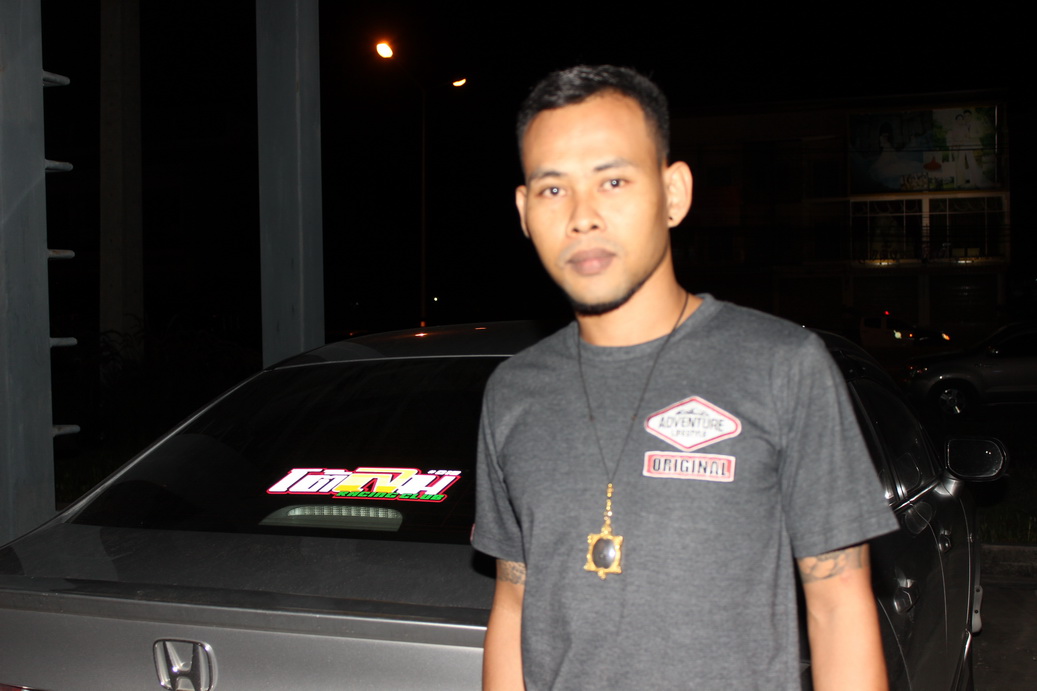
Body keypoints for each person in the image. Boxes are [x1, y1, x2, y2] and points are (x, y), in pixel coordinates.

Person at [472, 65, 897, 690]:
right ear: (523, 211)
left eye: (613, 180)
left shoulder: (782, 366)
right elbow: (513, 604)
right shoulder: (513, 393)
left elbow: (838, 607)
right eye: (553, 189)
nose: (582, 217)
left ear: (674, 193)